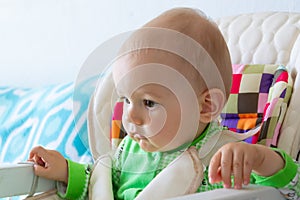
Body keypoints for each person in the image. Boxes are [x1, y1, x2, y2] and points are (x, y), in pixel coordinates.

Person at [29, 8, 300, 200]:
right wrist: (66, 171)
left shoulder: (225, 156)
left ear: (205, 107)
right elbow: (99, 184)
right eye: (125, 99)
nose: (130, 116)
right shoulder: (127, 152)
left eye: (148, 102)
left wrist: (261, 159)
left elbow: (293, 189)